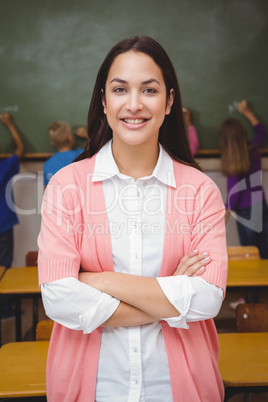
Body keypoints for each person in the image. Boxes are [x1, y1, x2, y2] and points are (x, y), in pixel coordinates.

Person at [38, 36, 228, 401]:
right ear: (104, 100)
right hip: (93, 388)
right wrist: (170, 292)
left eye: (150, 90)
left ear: (169, 101)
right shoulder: (66, 186)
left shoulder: (200, 190)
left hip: (180, 388)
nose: (135, 104)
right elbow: (60, 298)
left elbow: (205, 299)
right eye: (121, 89)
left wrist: (100, 280)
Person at [220, 100, 268, 259]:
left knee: (250, 251)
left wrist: (226, 211)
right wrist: (247, 112)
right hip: (260, 204)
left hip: (245, 211)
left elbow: (234, 193)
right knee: (264, 249)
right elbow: (261, 133)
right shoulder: (253, 149)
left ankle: (253, 282)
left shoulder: (232, 160)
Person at [0, 113, 24, 318]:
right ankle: (4, 308)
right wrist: (10, 125)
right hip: (3, 226)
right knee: (5, 265)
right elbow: (19, 150)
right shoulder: (4, 167)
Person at [43, 121, 87, 185]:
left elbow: (47, 190)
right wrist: (87, 135)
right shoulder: (81, 154)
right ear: (71, 138)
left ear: (52, 142)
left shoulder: (47, 164)